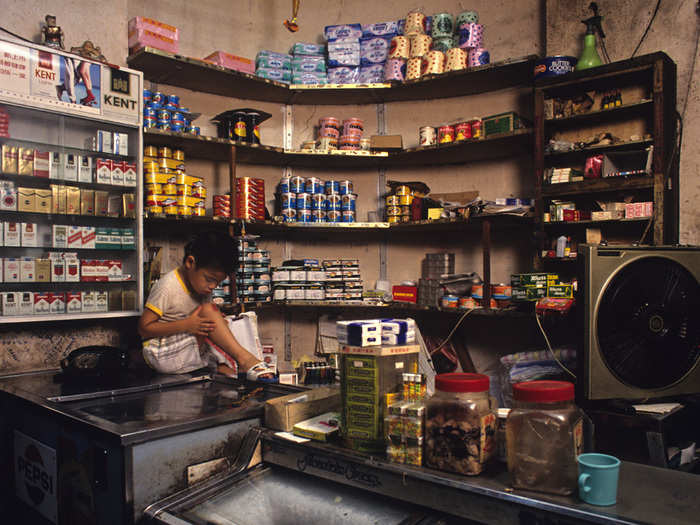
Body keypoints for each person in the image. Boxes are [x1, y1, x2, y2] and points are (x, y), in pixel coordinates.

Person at [138, 231, 274, 380]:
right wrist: (186, 325)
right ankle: (245, 360)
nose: (212, 286)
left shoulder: (201, 286)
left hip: (187, 351)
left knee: (222, 320)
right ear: (190, 263)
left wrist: (216, 320)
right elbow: (144, 329)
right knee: (210, 312)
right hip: (161, 354)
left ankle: (233, 363)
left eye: (218, 283)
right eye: (209, 279)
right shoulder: (167, 287)